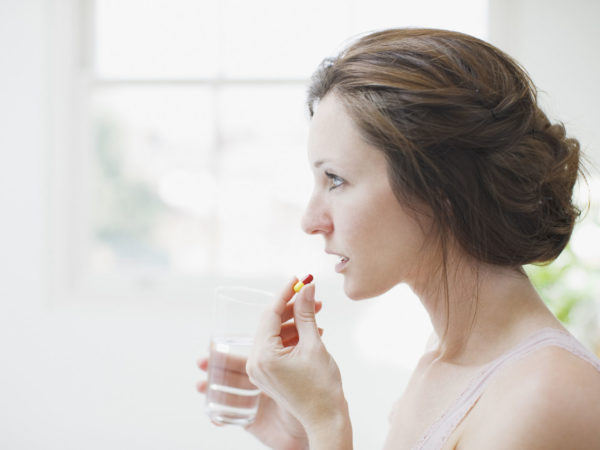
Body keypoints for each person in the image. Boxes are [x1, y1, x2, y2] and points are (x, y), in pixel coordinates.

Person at [197, 28, 600, 449]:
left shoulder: (546, 396)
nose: (310, 220)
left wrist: (327, 423)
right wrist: (299, 439)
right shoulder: (442, 360)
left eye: (335, 179)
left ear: (438, 188)